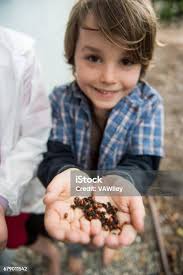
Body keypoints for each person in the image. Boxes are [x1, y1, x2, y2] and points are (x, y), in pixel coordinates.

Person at [38, 0, 164, 274]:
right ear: (72, 56)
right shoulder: (59, 100)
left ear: (143, 65)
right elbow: (53, 154)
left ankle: (106, 243)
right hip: (73, 194)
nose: (108, 77)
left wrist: (122, 182)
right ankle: (75, 253)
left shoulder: (149, 104)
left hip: (115, 198)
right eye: (94, 58)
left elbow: (144, 162)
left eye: (126, 61)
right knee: (73, 219)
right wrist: (64, 171)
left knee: (110, 220)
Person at [0, 26, 60, 275]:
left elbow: (36, 134)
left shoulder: (18, 54)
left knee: (16, 243)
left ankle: (52, 255)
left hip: (14, 195)